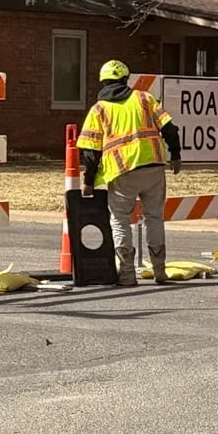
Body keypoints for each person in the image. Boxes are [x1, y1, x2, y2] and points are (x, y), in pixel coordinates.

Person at [77, 60, 182, 286]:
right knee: (154, 218)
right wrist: (175, 155)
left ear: (103, 82)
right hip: (153, 166)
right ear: (126, 80)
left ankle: (126, 275)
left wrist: (88, 181)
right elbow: (169, 128)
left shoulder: (99, 109)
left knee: (120, 220)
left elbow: (90, 149)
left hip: (122, 171)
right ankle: (159, 271)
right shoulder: (145, 99)